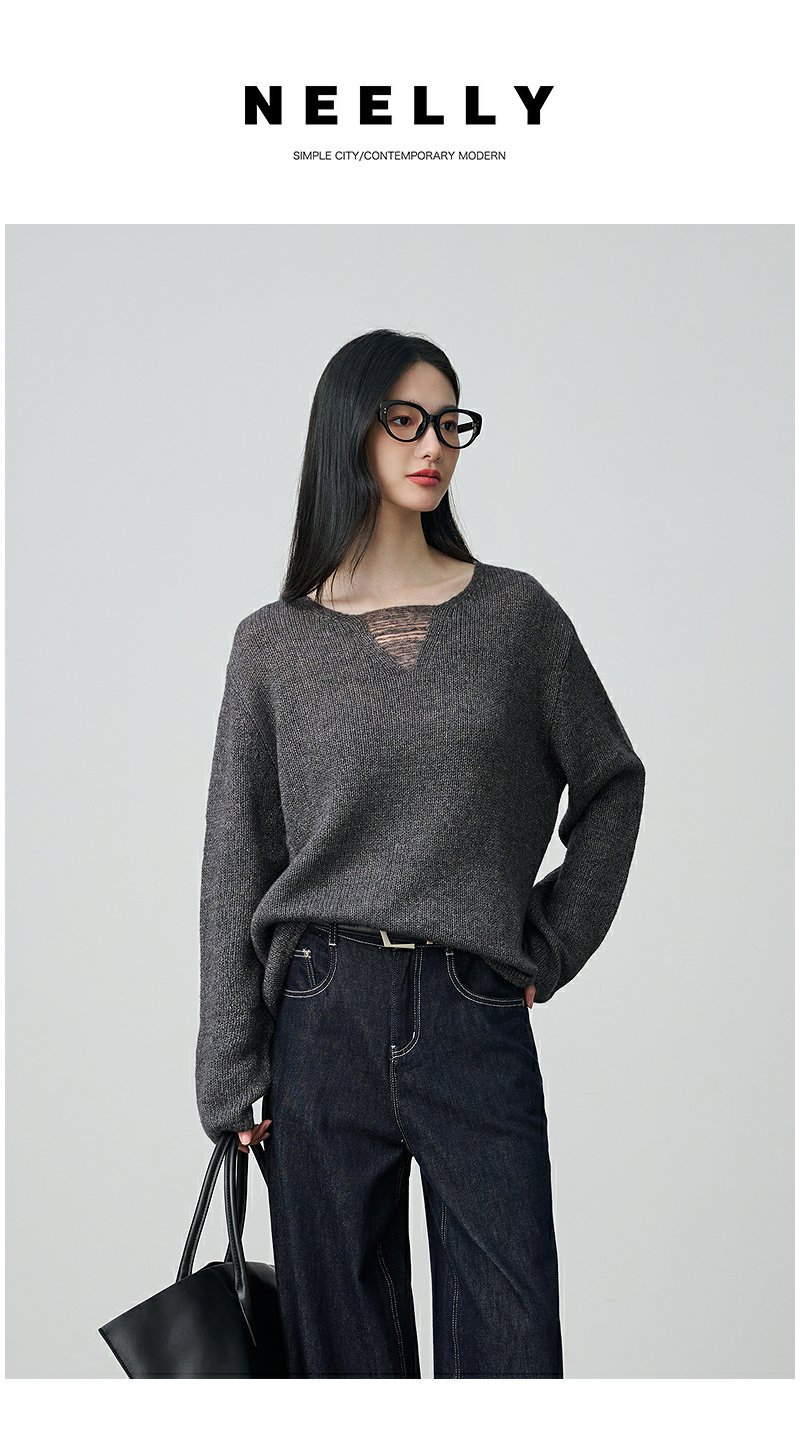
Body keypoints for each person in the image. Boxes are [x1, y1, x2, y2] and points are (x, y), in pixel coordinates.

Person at [195, 327, 646, 1378]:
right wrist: (229, 1067)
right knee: (346, 1368)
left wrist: (548, 942)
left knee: (511, 1348)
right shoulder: (273, 644)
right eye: (404, 420)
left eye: (448, 422)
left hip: (470, 1009)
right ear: (347, 433)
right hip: (319, 1016)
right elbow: (235, 856)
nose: (431, 443)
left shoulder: (517, 618)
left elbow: (612, 781)